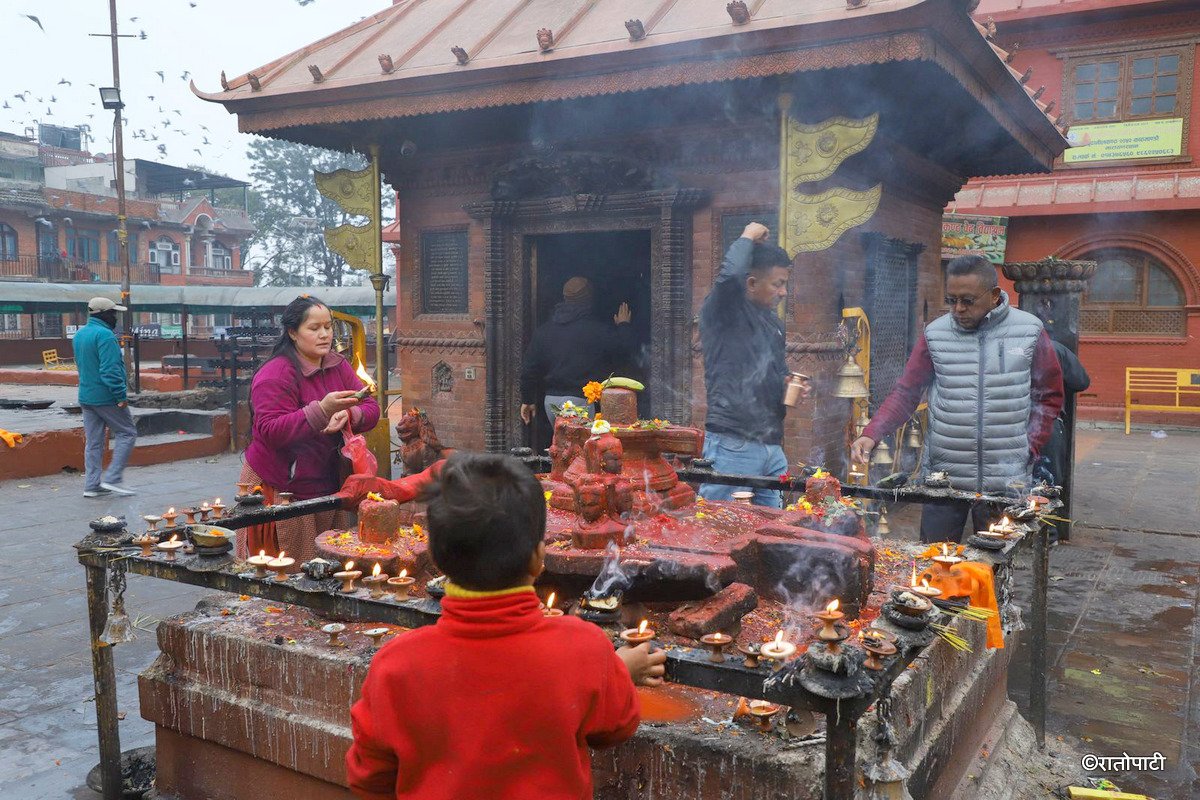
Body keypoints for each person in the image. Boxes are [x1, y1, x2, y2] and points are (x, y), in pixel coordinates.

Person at [345, 453, 665, 800]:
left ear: (436, 559)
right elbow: (616, 725)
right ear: (539, 558)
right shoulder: (583, 647)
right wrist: (618, 668)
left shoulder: (397, 665)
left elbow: (368, 778)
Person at [851, 255, 1064, 542]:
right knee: (934, 564)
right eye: (951, 300)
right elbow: (907, 392)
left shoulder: (1029, 331)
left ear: (994, 296)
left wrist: (1029, 445)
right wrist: (872, 434)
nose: (958, 309)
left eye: (968, 300)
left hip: (1004, 479)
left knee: (994, 569)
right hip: (945, 478)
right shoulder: (936, 335)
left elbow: (1049, 396)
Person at [236, 295, 380, 562]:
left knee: (329, 569)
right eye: (314, 328)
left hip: (327, 482)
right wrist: (322, 410)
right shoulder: (276, 374)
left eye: (328, 327)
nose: (324, 334)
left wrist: (348, 414)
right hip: (282, 486)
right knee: (285, 571)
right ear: (292, 332)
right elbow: (270, 430)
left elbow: (371, 407)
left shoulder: (338, 365)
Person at [698, 222, 808, 507]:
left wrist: (785, 382)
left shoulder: (773, 323)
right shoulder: (724, 311)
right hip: (733, 444)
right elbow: (730, 275)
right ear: (751, 284)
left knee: (770, 533)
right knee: (722, 527)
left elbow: (776, 368)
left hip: (771, 446)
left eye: (786, 284)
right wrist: (747, 235)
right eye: (778, 284)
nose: (783, 292)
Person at [519, 276, 634, 425]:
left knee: (562, 446)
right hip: (580, 401)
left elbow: (529, 369)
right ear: (589, 299)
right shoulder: (598, 331)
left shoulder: (544, 331)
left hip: (551, 401)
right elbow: (623, 353)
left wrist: (527, 399)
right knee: (581, 446)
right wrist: (623, 326)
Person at [75, 297, 138, 498]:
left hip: (86, 396)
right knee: (127, 433)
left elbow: (83, 365)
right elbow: (110, 370)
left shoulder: (80, 334)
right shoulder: (106, 336)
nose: (115, 317)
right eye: (113, 313)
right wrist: (120, 395)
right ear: (103, 314)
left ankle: (92, 485)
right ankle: (113, 478)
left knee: (94, 442)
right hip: (106, 397)